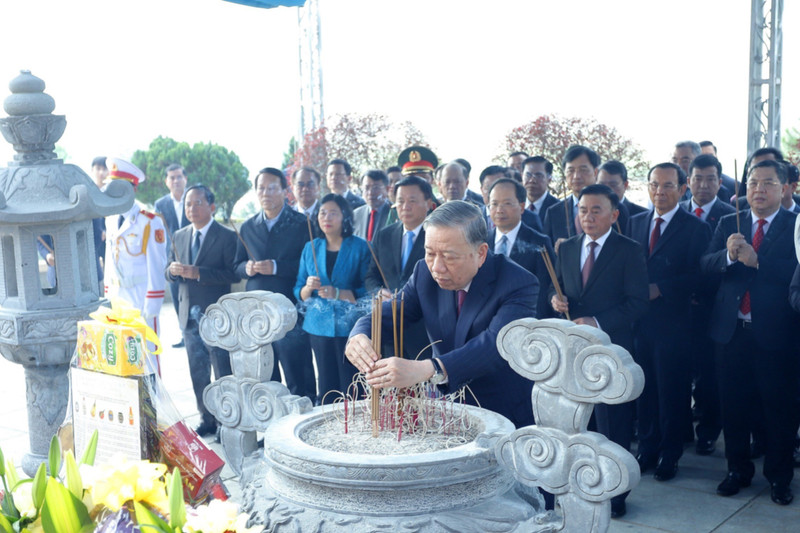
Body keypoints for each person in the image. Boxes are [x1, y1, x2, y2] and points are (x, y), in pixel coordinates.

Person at [346, 200, 539, 429]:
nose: (437, 267)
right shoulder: (424, 273)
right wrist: (360, 333)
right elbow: (392, 314)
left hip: (501, 413)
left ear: (480, 253)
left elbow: (495, 346)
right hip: (445, 411)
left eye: (449, 256)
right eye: (430, 253)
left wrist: (428, 368)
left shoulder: (518, 283)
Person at [550, 183, 649, 518]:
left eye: (596, 210)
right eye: (582, 211)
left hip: (611, 349)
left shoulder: (628, 249)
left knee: (613, 423)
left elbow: (637, 302)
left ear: (614, 214)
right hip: (574, 350)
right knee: (580, 420)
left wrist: (597, 320)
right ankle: (583, 483)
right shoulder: (567, 248)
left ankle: (616, 490)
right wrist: (556, 299)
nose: (588, 217)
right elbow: (560, 289)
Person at [704, 160, 798, 506]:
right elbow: (705, 264)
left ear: (786, 188)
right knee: (734, 407)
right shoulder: (731, 221)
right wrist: (728, 256)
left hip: (777, 334)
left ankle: (779, 477)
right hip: (731, 333)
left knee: (779, 409)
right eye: (753, 183)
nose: (759, 189)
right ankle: (737, 471)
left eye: (769, 183)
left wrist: (760, 262)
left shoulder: (795, 225)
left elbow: (796, 272)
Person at [627, 162, 711, 482]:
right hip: (638, 324)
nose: (660, 192)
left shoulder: (695, 228)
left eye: (667, 186)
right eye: (654, 185)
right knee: (643, 388)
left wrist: (661, 289)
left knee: (672, 391)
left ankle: (669, 453)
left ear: (682, 188)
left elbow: (701, 277)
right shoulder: (635, 223)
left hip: (674, 324)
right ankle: (647, 448)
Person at [234, 167, 316, 401]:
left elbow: (310, 266)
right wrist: (247, 268)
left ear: (284, 191)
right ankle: (271, 425)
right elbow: (235, 265)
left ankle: (301, 416)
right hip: (257, 311)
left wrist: (277, 267)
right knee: (266, 371)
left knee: (296, 367)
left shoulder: (302, 223)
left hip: (289, 307)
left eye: (272, 188)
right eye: (261, 188)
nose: (266, 193)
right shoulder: (248, 226)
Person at [166, 184, 240, 437]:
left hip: (215, 316)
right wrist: (173, 271)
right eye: (188, 204)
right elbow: (168, 271)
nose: (192, 208)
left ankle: (225, 422)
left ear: (211, 206)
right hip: (189, 317)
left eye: (198, 203)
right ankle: (206, 419)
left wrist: (199, 273)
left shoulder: (227, 236)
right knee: (197, 372)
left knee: (222, 371)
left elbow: (232, 274)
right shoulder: (179, 235)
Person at [680, 153, 735, 456]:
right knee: (681, 371)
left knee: (710, 374)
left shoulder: (731, 215)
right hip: (680, 308)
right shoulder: (678, 212)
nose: (703, 184)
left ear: (719, 181)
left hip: (714, 308)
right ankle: (683, 427)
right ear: (687, 182)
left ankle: (709, 431)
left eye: (710, 178)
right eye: (697, 178)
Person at [295, 194, 371, 404]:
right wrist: (308, 288)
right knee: (326, 385)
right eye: (322, 213)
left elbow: (368, 288)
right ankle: (327, 427)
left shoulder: (360, 246)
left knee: (352, 384)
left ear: (345, 217)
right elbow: (298, 289)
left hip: (351, 326)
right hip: (318, 326)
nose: (326, 217)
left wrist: (339, 293)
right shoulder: (310, 247)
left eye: (333, 213)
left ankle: (355, 427)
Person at [103, 158, 168, 367]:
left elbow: (157, 268)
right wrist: (107, 295)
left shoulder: (149, 221)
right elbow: (110, 261)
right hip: (117, 299)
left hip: (141, 298)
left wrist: (152, 306)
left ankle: (151, 400)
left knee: (146, 360)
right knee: (122, 360)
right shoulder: (111, 218)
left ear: (131, 189)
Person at [365, 176, 436, 359]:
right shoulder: (384, 235)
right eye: (400, 201)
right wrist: (378, 291)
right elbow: (371, 276)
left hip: (425, 330)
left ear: (428, 203)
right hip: (390, 329)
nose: (405, 206)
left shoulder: (437, 236)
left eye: (412, 201)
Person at [488, 178, 554, 318]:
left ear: (522, 206)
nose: (499, 210)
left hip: (525, 321)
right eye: (494, 204)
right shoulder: (481, 242)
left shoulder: (539, 242)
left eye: (507, 203)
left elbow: (544, 290)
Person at [155, 163, 190, 348]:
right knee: (177, 297)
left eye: (179, 177)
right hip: (172, 261)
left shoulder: (194, 199)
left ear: (185, 179)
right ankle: (185, 334)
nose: (176, 180)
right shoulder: (160, 205)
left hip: (194, 257)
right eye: (172, 177)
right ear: (166, 182)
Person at [543, 145, 600, 249]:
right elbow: (547, 252)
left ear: (595, 172)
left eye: (583, 170)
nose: (576, 176)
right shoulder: (554, 212)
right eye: (571, 170)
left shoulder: (612, 208)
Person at [479, 165, 542, 233]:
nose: (493, 191)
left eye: (500, 187)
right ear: (481, 190)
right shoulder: (472, 218)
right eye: (488, 187)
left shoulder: (530, 219)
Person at [353, 170, 392, 241]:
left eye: (376, 188)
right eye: (366, 188)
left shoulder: (394, 213)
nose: (370, 193)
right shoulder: (355, 214)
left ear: (387, 189)